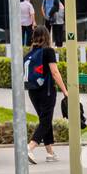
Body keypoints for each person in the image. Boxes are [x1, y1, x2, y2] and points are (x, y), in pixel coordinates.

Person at [24, 26, 69, 164]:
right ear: (47, 36)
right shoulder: (48, 51)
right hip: (47, 91)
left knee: (45, 119)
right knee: (45, 120)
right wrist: (65, 91)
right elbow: (55, 72)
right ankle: (29, 147)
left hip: (33, 91)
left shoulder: (29, 54)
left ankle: (50, 153)